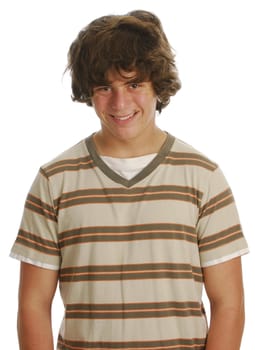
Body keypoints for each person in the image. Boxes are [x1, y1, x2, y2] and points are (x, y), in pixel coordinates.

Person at [10, 10, 248, 350]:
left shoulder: (203, 177)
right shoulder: (54, 181)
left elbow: (229, 305)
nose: (120, 102)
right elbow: (33, 305)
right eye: (105, 87)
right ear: (88, 90)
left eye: (134, 84)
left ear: (158, 84)